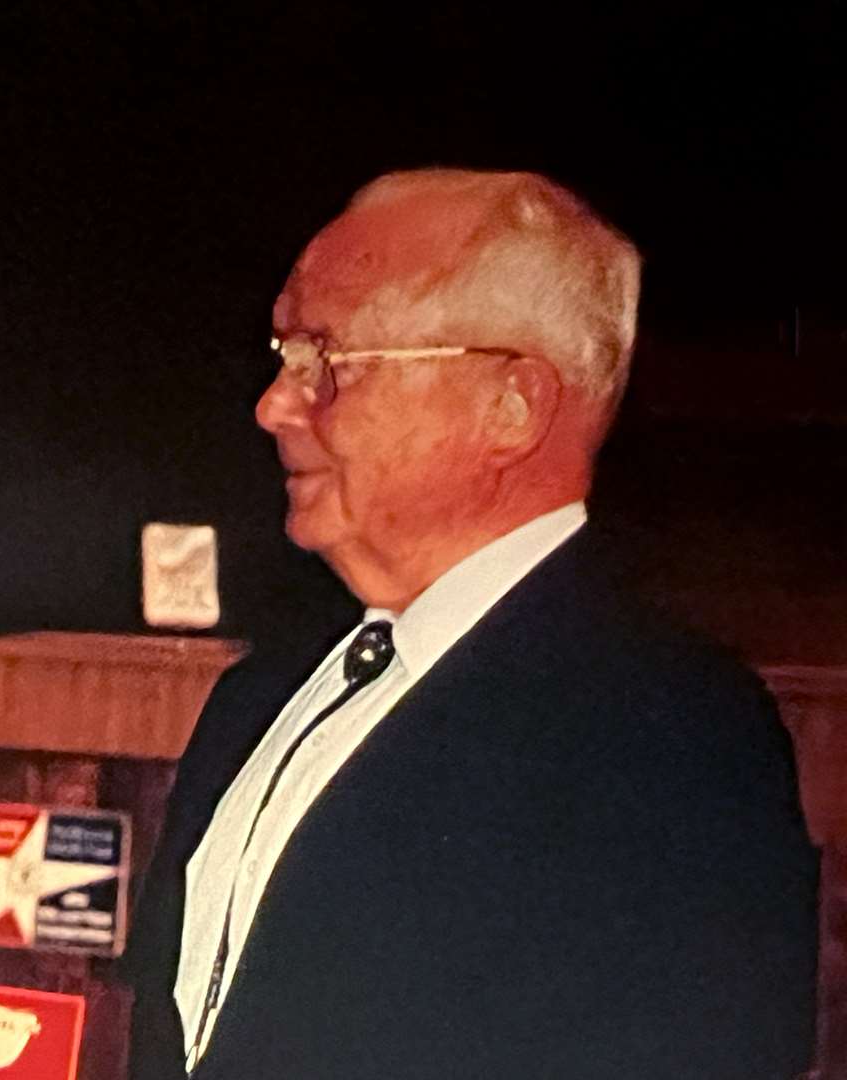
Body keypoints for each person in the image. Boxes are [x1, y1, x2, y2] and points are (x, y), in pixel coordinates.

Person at [126, 169, 818, 1078]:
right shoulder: (262, 694)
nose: (273, 404)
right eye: (283, 355)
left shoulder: (673, 735)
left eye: (326, 361)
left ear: (512, 407)